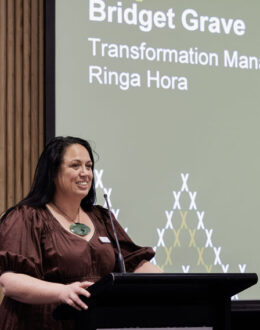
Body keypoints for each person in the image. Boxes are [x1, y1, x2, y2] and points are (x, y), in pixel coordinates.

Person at [0, 136, 160, 330]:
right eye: (75, 166)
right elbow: (11, 281)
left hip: (93, 322)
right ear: (52, 172)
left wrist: (173, 284)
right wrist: (62, 292)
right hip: (43, 322)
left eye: (89, 166)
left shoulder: (102, 217)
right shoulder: (27, 217)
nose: (85, 173)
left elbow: (132, 263)